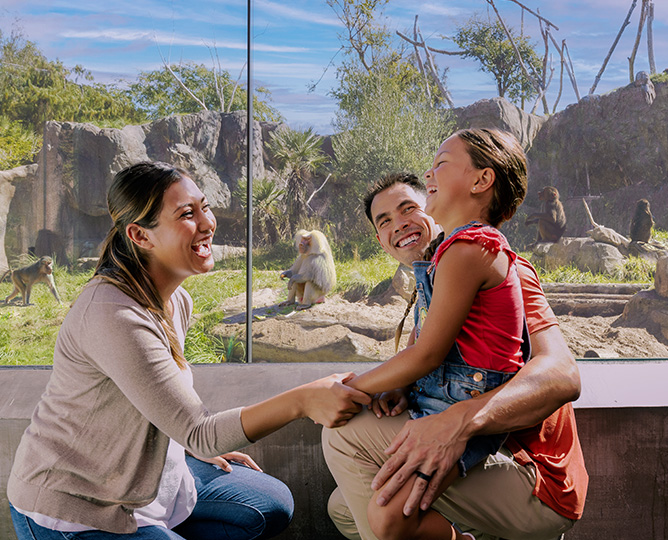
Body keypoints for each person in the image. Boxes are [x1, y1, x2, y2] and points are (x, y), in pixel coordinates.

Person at [7, 161, 370, 540]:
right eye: (186, 214)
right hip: (80, 505)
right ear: (140, 235)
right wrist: (303, 401)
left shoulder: (176, 300)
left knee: (270, 502)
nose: (207, 223)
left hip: (147, 477)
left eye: (205, 207)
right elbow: (200, 431)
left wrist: (188, 445)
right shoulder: (112, 314)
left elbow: (170, 408)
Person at [323, 131, 588, 540]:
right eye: (385, 221)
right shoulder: (432, 285)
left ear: (433, 208)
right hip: (476, 458)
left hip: (527, 468)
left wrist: (458, 422)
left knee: (344, 437)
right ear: (379, 240)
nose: (400, 225)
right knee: (343, 507)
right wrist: (406, 390)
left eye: (409, 207)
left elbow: (563, 375)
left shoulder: (499, 266)